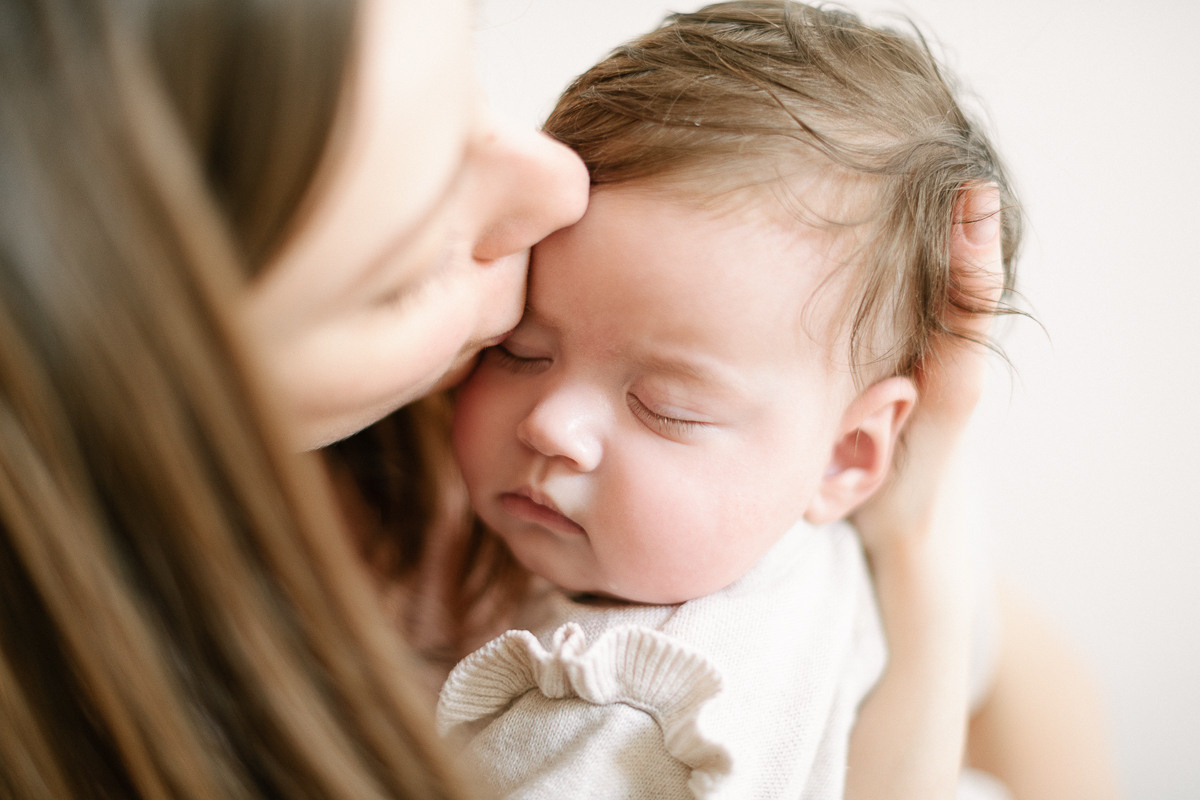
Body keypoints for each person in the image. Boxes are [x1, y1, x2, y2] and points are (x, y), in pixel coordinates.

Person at [0, 0, 1101, 798]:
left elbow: (1039, 705)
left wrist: (917, 531)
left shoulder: (764, 508)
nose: (556, 187)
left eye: (469, 99)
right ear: (152, 381)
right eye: (406, 264)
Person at [438, 3, 1113, 799]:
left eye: (665, 406)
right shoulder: (868, 523)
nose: (550, 422)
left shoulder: (607, 728)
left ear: (846, 455)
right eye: (518, 350)